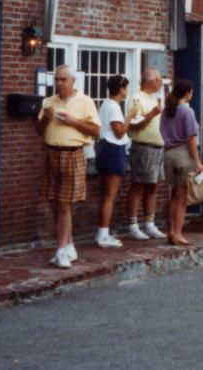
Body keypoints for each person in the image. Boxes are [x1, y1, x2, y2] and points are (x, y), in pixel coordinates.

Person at [37, 65, 100, 269]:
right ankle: (69, 245)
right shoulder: (49, 102)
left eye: (64, 79)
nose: (59, 83)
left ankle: (61, 250)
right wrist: (45, 119)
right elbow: (38, 131)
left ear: (73, 81)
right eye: (57, 79)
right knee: (55, 202)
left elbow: (95, 131)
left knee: (65, 204)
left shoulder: (85, 102)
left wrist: (73, 122)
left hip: (73, 153)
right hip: (51, 153)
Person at [161, 79, 203, 246]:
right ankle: (178, 234)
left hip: (168, 154)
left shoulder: (166, 111)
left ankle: (171, 231)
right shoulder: (187, 112)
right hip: (183, 154)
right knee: (182, 198)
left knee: (173, 195)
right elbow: (191, 139)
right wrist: (198, 162)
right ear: (188, 93)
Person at [126, 68, 167, 240]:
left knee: (153, 186)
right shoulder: (136, 98)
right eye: (158, 80)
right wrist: (151, 114)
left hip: (158, 147)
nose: (160, 83)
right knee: (138, 185)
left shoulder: (154, 99)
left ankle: (149, 223)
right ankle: (133, 225)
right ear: (149, 82)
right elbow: (133, 125)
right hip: (144, 147)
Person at [95, 74, 131, 248]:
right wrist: (130, 116)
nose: (127, 92)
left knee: (108, 194)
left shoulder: (106, 104)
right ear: (121, 88)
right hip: (113, 149)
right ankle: (102, 234)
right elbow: (119, 132)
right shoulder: (114, 106)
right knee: (110, 194)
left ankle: (104, 232)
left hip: (106, 148)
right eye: (126, 88)